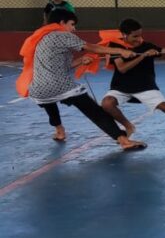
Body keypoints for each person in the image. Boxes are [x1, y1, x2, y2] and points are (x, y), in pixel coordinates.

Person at [17, 9, 146, 151]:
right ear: (62, 22)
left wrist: (80, 61)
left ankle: (59, 131)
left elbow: (64, 66)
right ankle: (123, 140)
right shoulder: (62, 35)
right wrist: (120, 51)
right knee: (94, 111)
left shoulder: (41, 38)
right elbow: (92, 47)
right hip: (59, 86)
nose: (74, 28)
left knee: (49, 101)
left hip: (37, 90)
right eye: (72, 24)